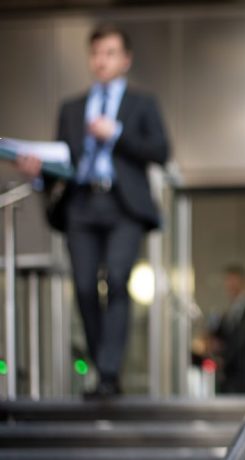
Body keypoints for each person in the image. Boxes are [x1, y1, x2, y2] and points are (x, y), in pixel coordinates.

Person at [17, 23, 169, 398]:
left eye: (110, 53)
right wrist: (39, 172)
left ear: (126, 59)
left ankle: (109, 374)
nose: (102, 61)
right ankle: (103, 368)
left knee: (117, 280)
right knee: (84, 287)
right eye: (96, 53)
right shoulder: (71, 108)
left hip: (123, 204)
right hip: (81, 203)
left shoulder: (142, 104)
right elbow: (62, 160)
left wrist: (115, 133)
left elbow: (161, 150)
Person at [208, 265, 245, 394]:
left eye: (232, 281)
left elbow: (242, 340)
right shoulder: (231, 311)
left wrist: (224, 357)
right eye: (228, 281)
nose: (229, 285)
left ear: (243, 282)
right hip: (234, 375)